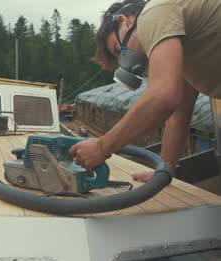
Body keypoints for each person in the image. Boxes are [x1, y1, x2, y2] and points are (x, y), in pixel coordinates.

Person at [69, 0, 221, 182]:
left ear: (123, 21)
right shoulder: (182, 45)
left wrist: (102, 147)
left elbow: (163, 96)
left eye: (119, 49)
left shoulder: (153, 13)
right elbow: (178, 116)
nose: (124, 58)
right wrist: (165, 171)